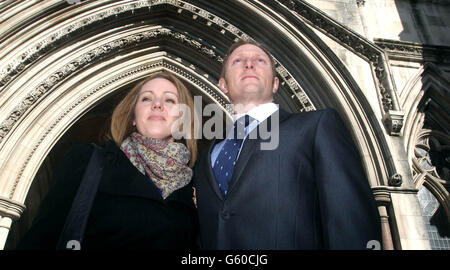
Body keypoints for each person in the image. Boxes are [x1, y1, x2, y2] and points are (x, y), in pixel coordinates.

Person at [193, 40, 382, 249]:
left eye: (260, 60)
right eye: (238, 61)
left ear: (275, 83)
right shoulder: (207, 156)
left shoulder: (316, 126)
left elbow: (350, 217)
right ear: (223, 85)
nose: (249, 64)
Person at [17, 72, 198, 250]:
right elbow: (41, 238)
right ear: (133, 118)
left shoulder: (194, 185)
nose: (157, 104)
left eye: (169, 100)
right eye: (146, 99)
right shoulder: (88, 162)